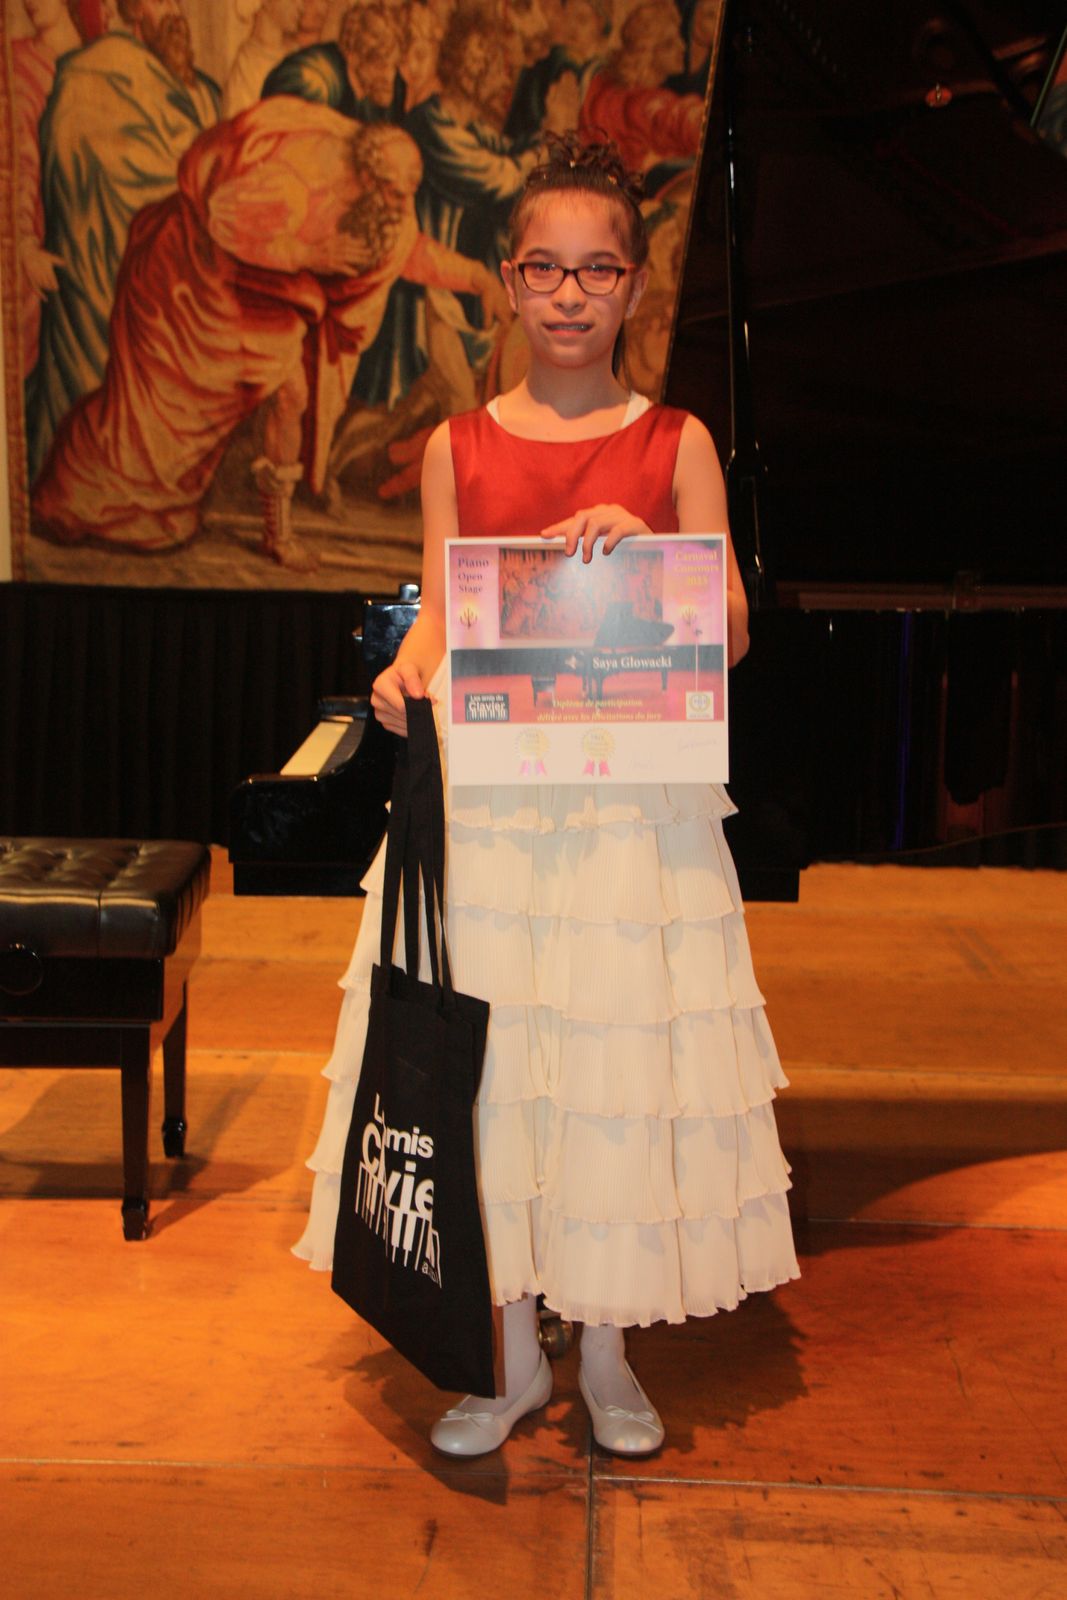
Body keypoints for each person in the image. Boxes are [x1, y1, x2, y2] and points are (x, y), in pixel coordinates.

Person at [293, 132, 799, 1456]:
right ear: (507, 283)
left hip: (630, 821)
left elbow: (731, 626)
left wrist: (651, 557)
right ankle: (511, 1357)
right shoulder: (456, 445)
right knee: (502, 1073)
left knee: (613, 1066)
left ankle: (611, 1351)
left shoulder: (675, 441)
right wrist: (403, 672)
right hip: (499, 818)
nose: (568, 294)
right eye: (542, 268)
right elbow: (439, 619)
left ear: (632, 286)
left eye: (596, 270)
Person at [31, 102, 508, 571]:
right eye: (393, 194)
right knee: (154, 415)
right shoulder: (295, 181)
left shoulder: (382, 205)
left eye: (410, 193)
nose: (404, 207)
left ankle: (277, 535)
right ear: (366, 177)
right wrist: (310, 255)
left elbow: (409, 251)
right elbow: (221, 220)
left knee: (289, 396)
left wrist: (478, 279)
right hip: (192, 284)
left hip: (259, 299)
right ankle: (83, 499)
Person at [26, 0, 220, 482]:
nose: (174, 11)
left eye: (178, 0)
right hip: (104, 286)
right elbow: (111, 176)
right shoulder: (90, 77)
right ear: (131, 9)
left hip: (170, 285)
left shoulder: (198, 90)